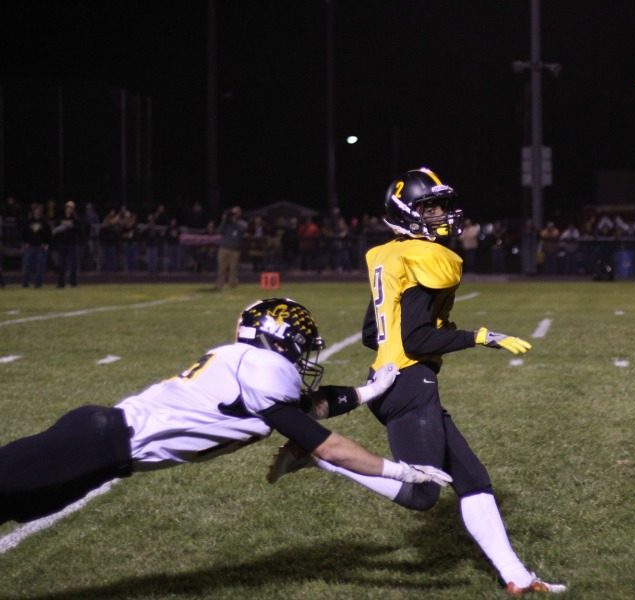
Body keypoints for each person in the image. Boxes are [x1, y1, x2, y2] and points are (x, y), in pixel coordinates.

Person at [268, 168, 566, 596]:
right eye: (430, 207)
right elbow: (416, 337)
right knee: (421, 495)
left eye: (442, 205)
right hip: (409, 384)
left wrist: (421, 333)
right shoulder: (423, 258)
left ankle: (517, 579)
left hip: (396, 378)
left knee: (474, 480)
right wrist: (478, 336)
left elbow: (374, 332)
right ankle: (318, 455)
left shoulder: (393, 254)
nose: (441, 214)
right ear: (405, 212)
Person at [0, 298, 451, 526]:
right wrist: (401, 472)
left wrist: (369, 390)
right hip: (98, 440)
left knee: (24, 506)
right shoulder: (262, 367)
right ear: (277, 337)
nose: (303, 355)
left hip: (110, 453)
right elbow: (329, 447)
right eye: (299, 342)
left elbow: (308, 408)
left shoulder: (252, 368)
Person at [21, 202, 52, 288]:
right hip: (30, 247)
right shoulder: (28, 221)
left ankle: (38, 284)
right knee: (27, 265)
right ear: (33, 211)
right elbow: (24, 233)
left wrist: (47, 244)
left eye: (39, 210)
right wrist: (25, 242)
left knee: (40, 266)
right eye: (36, 210)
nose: (37, 212)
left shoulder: (44, 222)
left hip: (40, 247)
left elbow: (49, 234)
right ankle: (25, 283)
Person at [215, 205, 247, 289]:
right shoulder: (226, 223)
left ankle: (232, 285)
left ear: (239, 213)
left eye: (236, 213)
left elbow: (243, 229)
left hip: (235, 250)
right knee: (221, 268)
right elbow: (219, 231)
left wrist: (234, 221)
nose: (234, 214)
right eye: (233, 213)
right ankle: (220, 284)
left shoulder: (242, 222)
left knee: (233, 269)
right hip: (224, 248)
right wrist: (224, 220)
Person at [52, 200, 82, 287]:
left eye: (71, 208)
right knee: (61, 265)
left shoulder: (76, 218)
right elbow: (55, 230)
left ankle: (73, 283)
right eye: (68, 207)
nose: (69, 209)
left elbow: (80, 231)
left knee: (73, 265)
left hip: (72, 244)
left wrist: (72, 226)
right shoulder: (60, 217)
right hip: (62, 244)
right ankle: (61, 283)